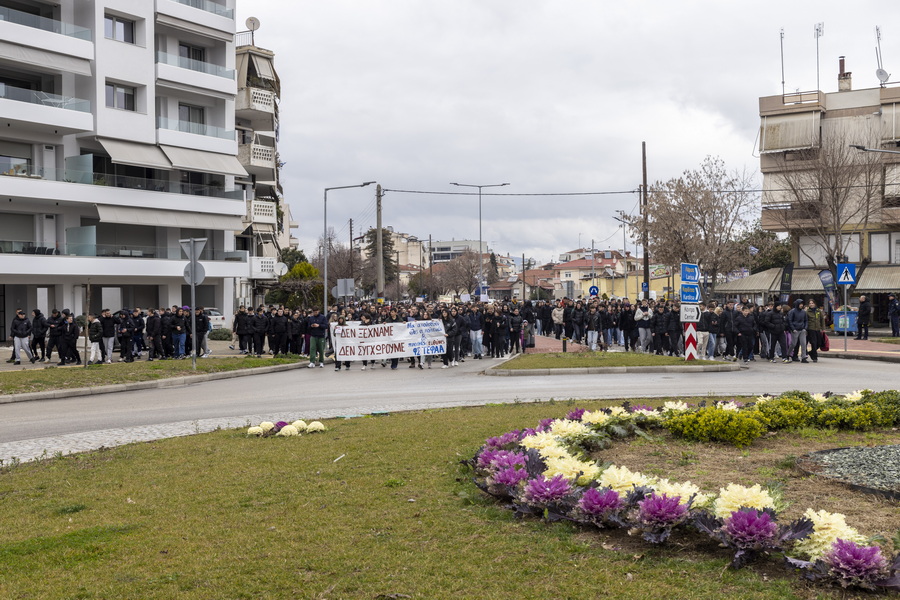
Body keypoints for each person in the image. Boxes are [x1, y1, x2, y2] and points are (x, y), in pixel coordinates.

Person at [787, 299, 809, 363]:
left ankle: (803, 357)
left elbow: (806, 320)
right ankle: (788, 354)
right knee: (793, 344)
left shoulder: (804, 312)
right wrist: (793, 329)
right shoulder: (792, 311)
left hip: (802, 329)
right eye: (800, 304)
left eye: (802, 304)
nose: (801, 305)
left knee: (803, 344)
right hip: (795, 330)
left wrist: (805, 328)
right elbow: (790, 321)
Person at [805, 299, 825, 363]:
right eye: (810, 303)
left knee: (819, 343)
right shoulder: (807, 312)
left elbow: (822, 319)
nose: (811, 304)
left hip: (818, 329)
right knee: (813, 343)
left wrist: (823, 328)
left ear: (815, 304)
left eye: (812, 303)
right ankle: (815, 357)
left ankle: (811, 352)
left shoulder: (818, 311)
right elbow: (805, 321)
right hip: (811, 329)